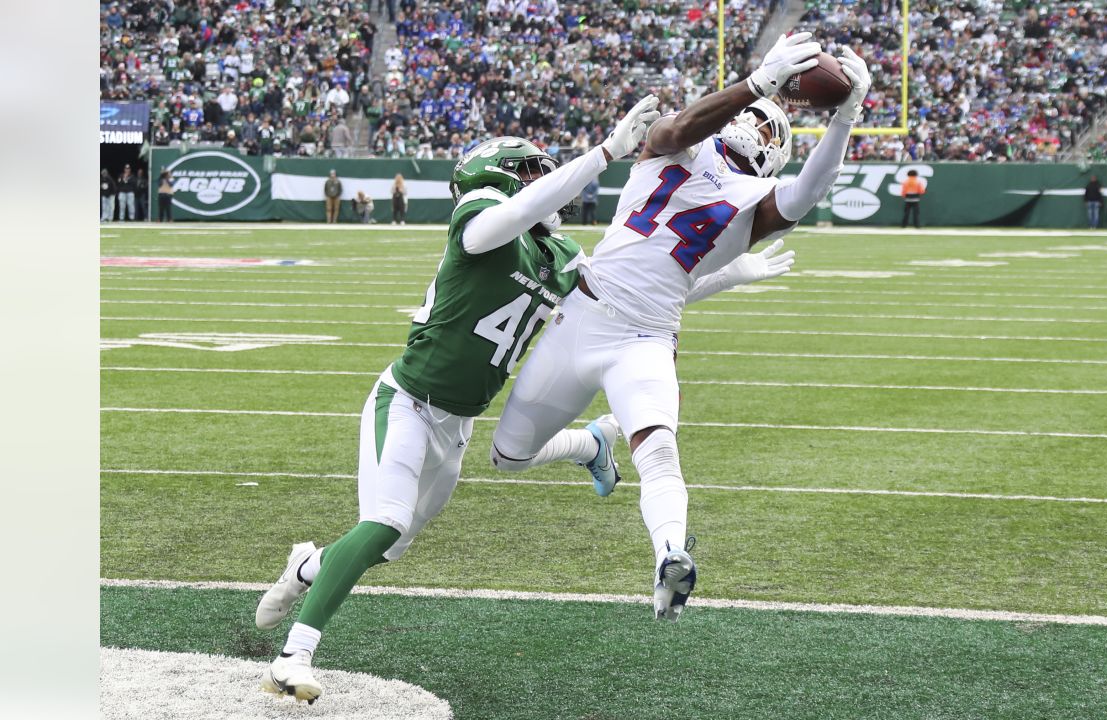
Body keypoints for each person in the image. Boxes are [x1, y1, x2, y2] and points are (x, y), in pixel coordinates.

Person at [254, 103, 791, 705]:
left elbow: (635, 289)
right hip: (405, 403)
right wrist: (604, 153)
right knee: (386, 525)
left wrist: (730, 274)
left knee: (390, 545)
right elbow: (501, 224)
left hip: (455, 427)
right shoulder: (479, 217)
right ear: (511, 177)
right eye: (537, 173)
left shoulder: (555, 255)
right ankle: (294, 655)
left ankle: (308, 566)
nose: (549, 185)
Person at [488, 33, 869, 622]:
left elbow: (810, 192)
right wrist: (757, 84)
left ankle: (670, 554)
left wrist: (846, 117)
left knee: (659, 451)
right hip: (582, 316)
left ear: (777, 156)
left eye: (770, 129)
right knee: (509, 456)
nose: (755, 126)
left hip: (645, 339)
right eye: (752, 115)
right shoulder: (678, 148)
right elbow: (674, 127)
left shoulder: (758, 204)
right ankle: (591, 444)